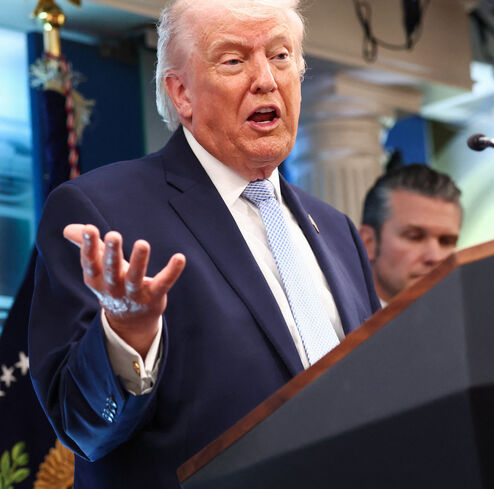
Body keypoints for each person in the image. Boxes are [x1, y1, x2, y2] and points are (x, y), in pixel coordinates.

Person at [28, 1, 381, 487]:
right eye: (234, 61)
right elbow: (80, 426)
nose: (266, 79)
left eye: (281, 57)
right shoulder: (100, 210)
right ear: (181, 93)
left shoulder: (337, 229)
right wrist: (127, 337)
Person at [359, 164, 463, 304]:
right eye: (415, 237)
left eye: (446, 241)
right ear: (368, 242)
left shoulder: (474, 320)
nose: (435, 257)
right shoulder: (335, 322)